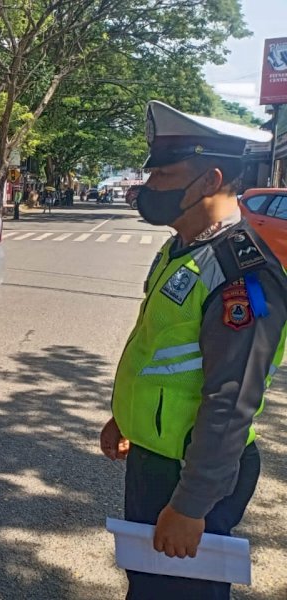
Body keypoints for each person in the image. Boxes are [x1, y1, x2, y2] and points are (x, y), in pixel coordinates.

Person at [99, 100, 287, 600]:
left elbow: (232, 399)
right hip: (154, 458)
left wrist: (192, 505)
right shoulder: (181, 248)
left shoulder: (241, 271)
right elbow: (157, 349)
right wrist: (126, 419)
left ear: (210, 181)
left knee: (181, 593)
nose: (150, 186)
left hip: (193, 473)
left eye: (166, 175)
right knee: (148, 585)